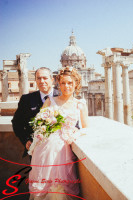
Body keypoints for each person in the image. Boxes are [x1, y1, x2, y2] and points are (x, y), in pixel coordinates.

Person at [29, 66, 88, 200]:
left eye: (70, 83)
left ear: (76, 84)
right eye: (63, 83)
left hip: (63, 150)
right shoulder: (51, 101)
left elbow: (86, 128)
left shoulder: (80, 104)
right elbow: (39, 122)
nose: (66, 86)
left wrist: (75, 132)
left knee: (61, 187)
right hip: (44, 150)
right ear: (59, 84)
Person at [12, 67, 59, 157]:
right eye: (38, 78)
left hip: (59, 150)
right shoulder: (26, 99)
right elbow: (17, 123)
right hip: (35, 151)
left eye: (45, 78)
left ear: (52, 80)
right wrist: (25, 140)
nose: (41, 81)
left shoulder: (62, 97)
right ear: (35, 80)